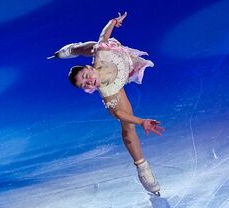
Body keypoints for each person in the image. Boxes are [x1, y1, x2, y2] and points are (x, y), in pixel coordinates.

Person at [50, 13, 164, 195]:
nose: (88, 83)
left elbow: (104, 36)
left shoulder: (101, 54)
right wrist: (141, 121)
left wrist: (113, 22)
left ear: (89, 68)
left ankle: (68, 50)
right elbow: (119, 114)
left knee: (86, 47)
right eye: (84, 85)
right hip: (115, 82)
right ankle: (143, 168)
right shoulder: (107, 92)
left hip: (114, 55)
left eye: (86, 77)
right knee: (127, 127)